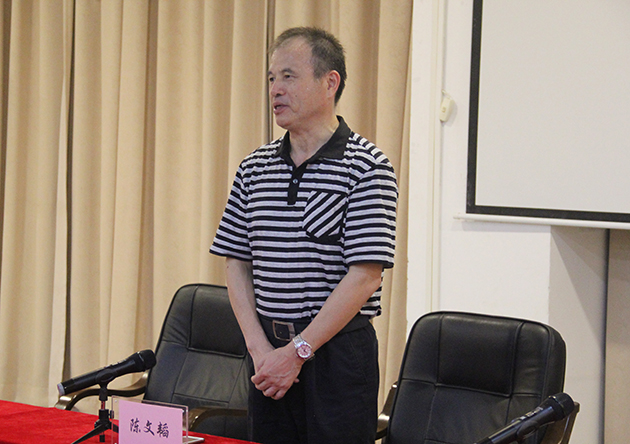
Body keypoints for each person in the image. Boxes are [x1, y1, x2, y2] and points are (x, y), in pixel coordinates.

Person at [210, 26, 397, 444]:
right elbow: (236, 262)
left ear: (330, 82)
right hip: (267, 353)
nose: (275, 89)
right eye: (271, 78)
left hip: (337, 357)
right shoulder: (254, 167)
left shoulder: (367, 166)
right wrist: (261, 350)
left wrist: (297, 353)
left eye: (289, 76)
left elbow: (365, 275)